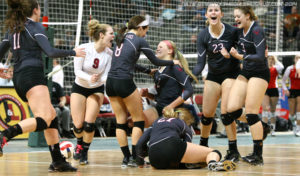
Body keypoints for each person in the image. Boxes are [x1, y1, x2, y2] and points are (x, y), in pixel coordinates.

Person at [0, 0, 85, 172]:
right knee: (44, 118)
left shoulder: (13, 28)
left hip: (19, 78)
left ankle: (58, 161)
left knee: (51, 115)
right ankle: (4, 136)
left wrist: (1, 69)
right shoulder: (35, 27)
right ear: (35, 9)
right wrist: (73, 52)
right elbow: (51, 52)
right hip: (32, 75)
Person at [106, 15, 180, 168]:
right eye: (146, 30)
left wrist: (147, 71)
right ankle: (135, 158)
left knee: (120, 121)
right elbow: (156, 61)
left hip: (111, 82)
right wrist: (173, 61)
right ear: (140, 28)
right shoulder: (139, 40)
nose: (146, 33)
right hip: (124, 82)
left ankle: (126, 158)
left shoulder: (121, 38)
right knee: (138, 120)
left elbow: (129, 63)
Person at [192, 4, 241, 158]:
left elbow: (242, 52)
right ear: (206, 15)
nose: (213, 12)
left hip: (231, 74)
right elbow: (200, 63)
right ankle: (203, 147)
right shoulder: (202, 35)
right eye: (210, 11)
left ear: (221, 14)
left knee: (226, 114)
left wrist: (232, 54)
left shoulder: (232, 32)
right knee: (206, 116)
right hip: (213, 75)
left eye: (216, 10)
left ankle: (233, 150)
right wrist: (189, 76)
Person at [226, 6, 270, 165]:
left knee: (251, 113)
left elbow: (260, 56)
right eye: (234, 16)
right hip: (246, 72)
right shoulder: (238, 31)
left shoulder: (257, 30)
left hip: (260, 73)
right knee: (231, 109)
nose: (235, 19)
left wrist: (240, 56)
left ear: (247, 16)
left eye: (238, 16)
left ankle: (258, 155)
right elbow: (226, 37)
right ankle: (262, 126)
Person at [136, 107, 236, 171]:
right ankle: (213, 163)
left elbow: (139, 144)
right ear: (188, 120)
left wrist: (140, 162)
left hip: (154, 159)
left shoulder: (156, 122)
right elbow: (188, 145)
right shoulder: (183, 124)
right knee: (214, 152)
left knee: (179, 161)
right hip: (171, 146)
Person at [71, 19, 114, 165]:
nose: (113, 36)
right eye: (111, 33)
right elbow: (77, 71)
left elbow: (107, 75)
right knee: (78, 126)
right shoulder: (83, 48)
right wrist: (90, 77)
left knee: (89, 124)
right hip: (80, 87)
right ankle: (78, 144)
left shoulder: (109, 54)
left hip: (96, 89)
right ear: (101, 35)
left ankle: (84, 152)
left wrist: (98, 80)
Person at [140, 40, 198, 126]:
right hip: (160, 109)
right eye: (157, 47)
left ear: (170, 51)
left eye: (161, 47)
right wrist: (147, 95)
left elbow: (189, 90)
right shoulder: (157, 71)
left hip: (174, 110)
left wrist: (170, 106)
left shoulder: (175, 67)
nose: (157, 49)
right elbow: (162, 97)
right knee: (139, 122)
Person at [261, 55, 283, 136]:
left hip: (274, 89)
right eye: (269, 59)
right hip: (265, 89)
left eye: (271, 59)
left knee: (273, 111)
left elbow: (281, 66)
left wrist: (275, 59)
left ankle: (273, 129)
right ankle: (264, 129)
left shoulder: (276, 68)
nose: (270, 60)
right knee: (265, 109)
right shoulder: (263, 68)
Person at [282, 55, 300, 136]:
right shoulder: (289, 68)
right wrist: (285, 89)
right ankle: (294, 125)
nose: (298, 59)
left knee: (299, 112)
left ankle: (298, 129)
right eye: (297, 58)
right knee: (291, 114)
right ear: (294, 59)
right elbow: (283, 81)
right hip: (292, 91)